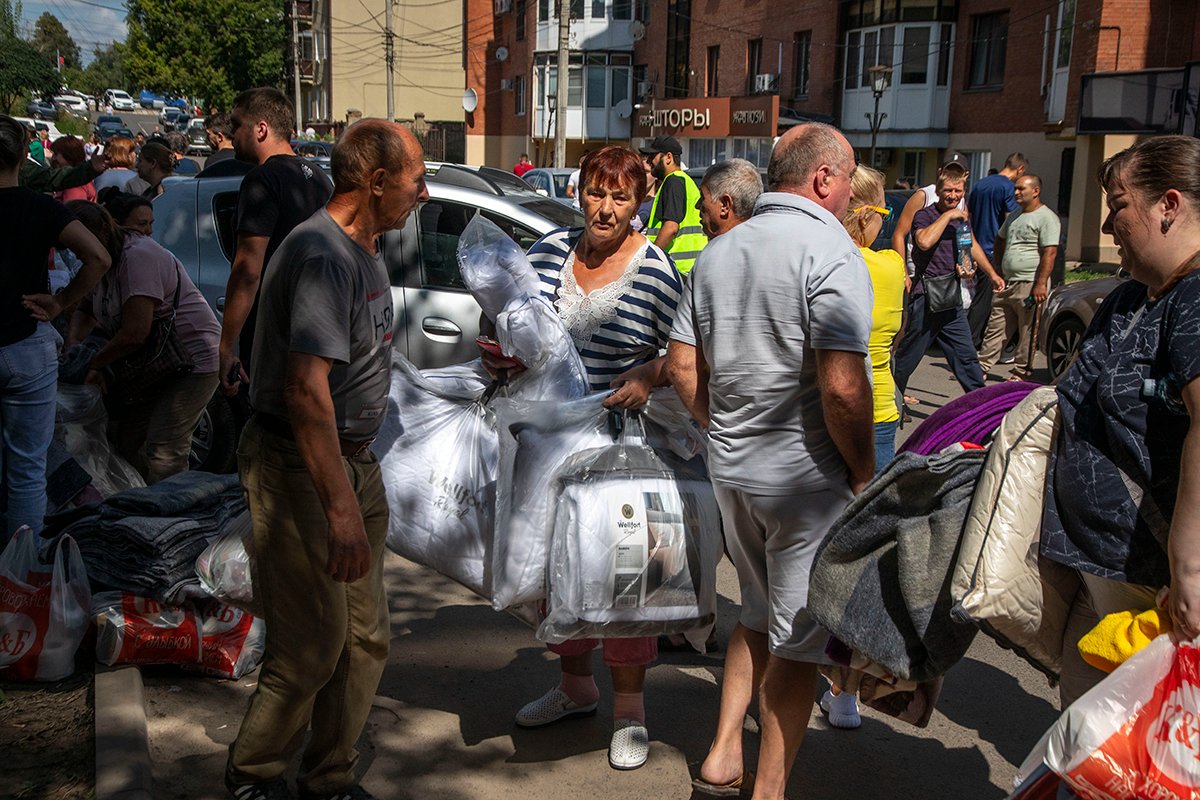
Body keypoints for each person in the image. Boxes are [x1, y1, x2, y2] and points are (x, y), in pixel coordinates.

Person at [224, 119, 427, 800]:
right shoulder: (322, 255)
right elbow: (304, 392)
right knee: (311, 645)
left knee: (364, 641)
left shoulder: (365, 246)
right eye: (416, 179)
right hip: (300, 469)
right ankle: (252, 776)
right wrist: (339, 508)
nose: (422, 193)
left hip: (352, 464)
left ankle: (328, 777)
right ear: (376, 182)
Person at [670, 122, 874, 800]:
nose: (849, 196)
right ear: (823, 179)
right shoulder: (830, 248)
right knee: (798, 643)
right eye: (847, 181)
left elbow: (680, 364)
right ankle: (768, 790)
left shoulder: (720, 251)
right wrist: (864, 471)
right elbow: (844, 385)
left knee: (756, 615)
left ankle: (723, 756)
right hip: (804, 480)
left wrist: (718, 424)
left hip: (732, 468)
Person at [484, 145, 682, 772]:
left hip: (624, 445)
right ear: (579, 191)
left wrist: (650, 375)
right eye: (596, 192)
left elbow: (683, 359)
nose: (605, 207)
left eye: (620, 197)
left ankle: (630, 715)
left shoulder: (655, 271)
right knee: (556, 573)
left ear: (637, 204)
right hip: (547, 444)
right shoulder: (545, 254)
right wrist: (498, 356)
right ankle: (576, 687)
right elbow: (512, 327)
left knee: (625, 578)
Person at [1042, 135, 1200, 709]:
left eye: (1118, 204)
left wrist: (1189, 566)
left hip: (1158, 588)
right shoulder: (1133, 296)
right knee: (1085, 747)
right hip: (1101, 571)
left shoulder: (1195, 297)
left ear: (1169, 205)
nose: (1109, 226)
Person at [1, 115, 111, 542]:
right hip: (26, 345)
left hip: (23, 344)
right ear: (23, 152)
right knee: (28, 469)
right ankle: (21, 572)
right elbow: (98, 257)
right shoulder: (40, 206)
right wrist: (61, 302)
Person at [63, 201, 220, 484]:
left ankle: (170, 518)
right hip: (156, 364)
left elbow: (136, 333)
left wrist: (94, 364)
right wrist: (74, 343)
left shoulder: (137, 257)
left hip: (193, 360)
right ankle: (142, 500)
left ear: (101, 232)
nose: (77, 253)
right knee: (128, 438)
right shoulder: (99, 261)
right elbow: (83, 308)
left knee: (164, 448)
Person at [218, 86, 334, 396]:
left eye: (236, 125)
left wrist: (227, 346)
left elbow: (247, 271)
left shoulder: (262, 180)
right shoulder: (319, 178)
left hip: (271, 339)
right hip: (312, 330)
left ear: (261, 129)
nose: (231, 135)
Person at [892, 171, 1005, 398]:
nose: (953, 195)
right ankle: (891, 399)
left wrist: (988, 273)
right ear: (939, 192)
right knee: (908, 357)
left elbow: (968, 246)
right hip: (926, 296)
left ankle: (981, 406)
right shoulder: (925, 215)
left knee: (966, 357)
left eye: (958, 191)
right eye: (948, 191)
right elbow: (923, 242)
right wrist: (948, 216)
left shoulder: (962, 220)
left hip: (950, 297)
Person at [669, 158, 762, 425]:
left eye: (703, 198)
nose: (698, 207)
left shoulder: (713, 262)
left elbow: (682, 365)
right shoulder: (779, 256)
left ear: (725, 205)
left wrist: (712, 426)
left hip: (728, 431)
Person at [842, 164, 905, 474]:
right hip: (877, 404)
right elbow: (898, 335)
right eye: (885, 214)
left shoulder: (818, 258)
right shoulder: (891, 266)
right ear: (866, 216)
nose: (884, 222)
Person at [978, 175, 1060, 381]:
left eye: (1021, 189)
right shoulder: (1014, 215)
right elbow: (1000, 239)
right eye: (1015, 188)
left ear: (1036, 191)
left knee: (1027, 330)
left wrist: (1040, 284)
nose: (1016, 192)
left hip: (1030, 282)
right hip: (1008, 281)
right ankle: (981, 366)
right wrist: (998, 268)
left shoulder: (1046, 217)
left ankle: (1021, 371)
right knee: (996, 326)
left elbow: (1050, 253)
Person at [966, 152, 1028, 343]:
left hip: (975, 246)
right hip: (994, 250)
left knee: (978, 296)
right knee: (988, 299)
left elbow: (969, 214)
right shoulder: (1009, 187)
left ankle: (971, 338)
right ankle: (972, 340)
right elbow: (1010, 219)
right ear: (1020, 169)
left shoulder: (980, 184)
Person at [890, 153, 970, 291]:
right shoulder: (924, 195)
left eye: (957, 172)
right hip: (921, 276)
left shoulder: (960, 201)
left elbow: (967, 240)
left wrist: (976, 268)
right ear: (940, 172)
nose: (952, 176)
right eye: (948, 171)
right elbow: (899, 235)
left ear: (965, 175)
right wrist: (903, 273)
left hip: (948, 279)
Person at [641, 136, 707, 275]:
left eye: (652, 156)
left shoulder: (673, 181)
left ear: (668, 157)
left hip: (676, 267)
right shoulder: (685, 180)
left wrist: (650, 260)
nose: (648, 161)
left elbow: (671, 228)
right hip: (687, 267)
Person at [197, 113, 249, 177]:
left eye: (209, 134)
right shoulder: (246, 158)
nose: (207, 138)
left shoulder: (212, 161)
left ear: (219, 137)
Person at [51, 136, 97, 203]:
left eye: (55, 154)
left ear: (69, 157)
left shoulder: (75, 187)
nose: (53, 158)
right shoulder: (77, 178)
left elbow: (72, 210)